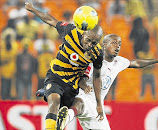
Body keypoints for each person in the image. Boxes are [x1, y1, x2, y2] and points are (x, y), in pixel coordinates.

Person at [56, 34, 158, 130]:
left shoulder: (118, 61)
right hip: (85, 95)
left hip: (97, 104)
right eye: (114, 43)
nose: (117, 46)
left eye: (119, 44)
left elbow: (136, 63)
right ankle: (65, 118)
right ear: (104, 44)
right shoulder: (93, 60)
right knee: (81, 104)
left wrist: (157, 60)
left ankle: (67, 116)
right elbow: (82, 78)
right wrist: (85, 86)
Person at [25, 2, 104, 130]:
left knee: (69, 105)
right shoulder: (70, 31)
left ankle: (46, 91)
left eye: (94, 43)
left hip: (72, 84)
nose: (90, 45)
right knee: (54, 103)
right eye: (88, 40)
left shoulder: (98, 53)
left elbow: (97, 77)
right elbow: (51, 20)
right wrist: (33, 9)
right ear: (83, 33)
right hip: (56, 76)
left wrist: (99, 103)